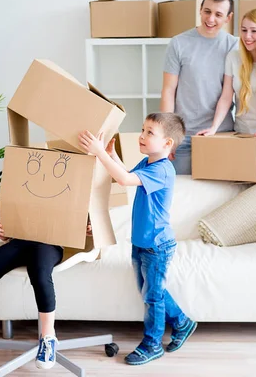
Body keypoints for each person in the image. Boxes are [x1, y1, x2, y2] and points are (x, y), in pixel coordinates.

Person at [78, 113, 197, 366]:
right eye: (143, 130)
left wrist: (99, 153)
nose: (142, 136)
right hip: (142, 242)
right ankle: (183, 322)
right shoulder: (148, 163)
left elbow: (123, 179)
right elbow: (127, 174)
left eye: (150, 133)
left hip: (157, 246)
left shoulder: (163, 170)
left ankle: (152, 344)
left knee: (152, 297)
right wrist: (111, 155)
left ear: (167, 144)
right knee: (150, 290)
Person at [0, 222, 91, 369]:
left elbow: (88, 221)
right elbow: (13, 217)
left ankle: (48, 337)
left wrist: (87, 227)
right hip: (19, 241)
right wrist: (5, 230)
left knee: (39, 276)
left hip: (50, 244)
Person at [160, 0, 238, 174]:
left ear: (228, 17)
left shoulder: (233, 45)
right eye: (207, 11)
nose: (211, 19)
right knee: (182, 192)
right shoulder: (178, 43)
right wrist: (168, 135)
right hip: (183, 134)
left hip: (220, 132)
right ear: (200, 9)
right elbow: (168, 90)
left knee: (217, 195)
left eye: (218, 14)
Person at [198, 7, 256, 166]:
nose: (247, 36)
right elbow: (226, 97)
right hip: (242, 133)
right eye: (244, 30)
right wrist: (213, 128)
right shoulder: (233, 57)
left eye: (254, 31)